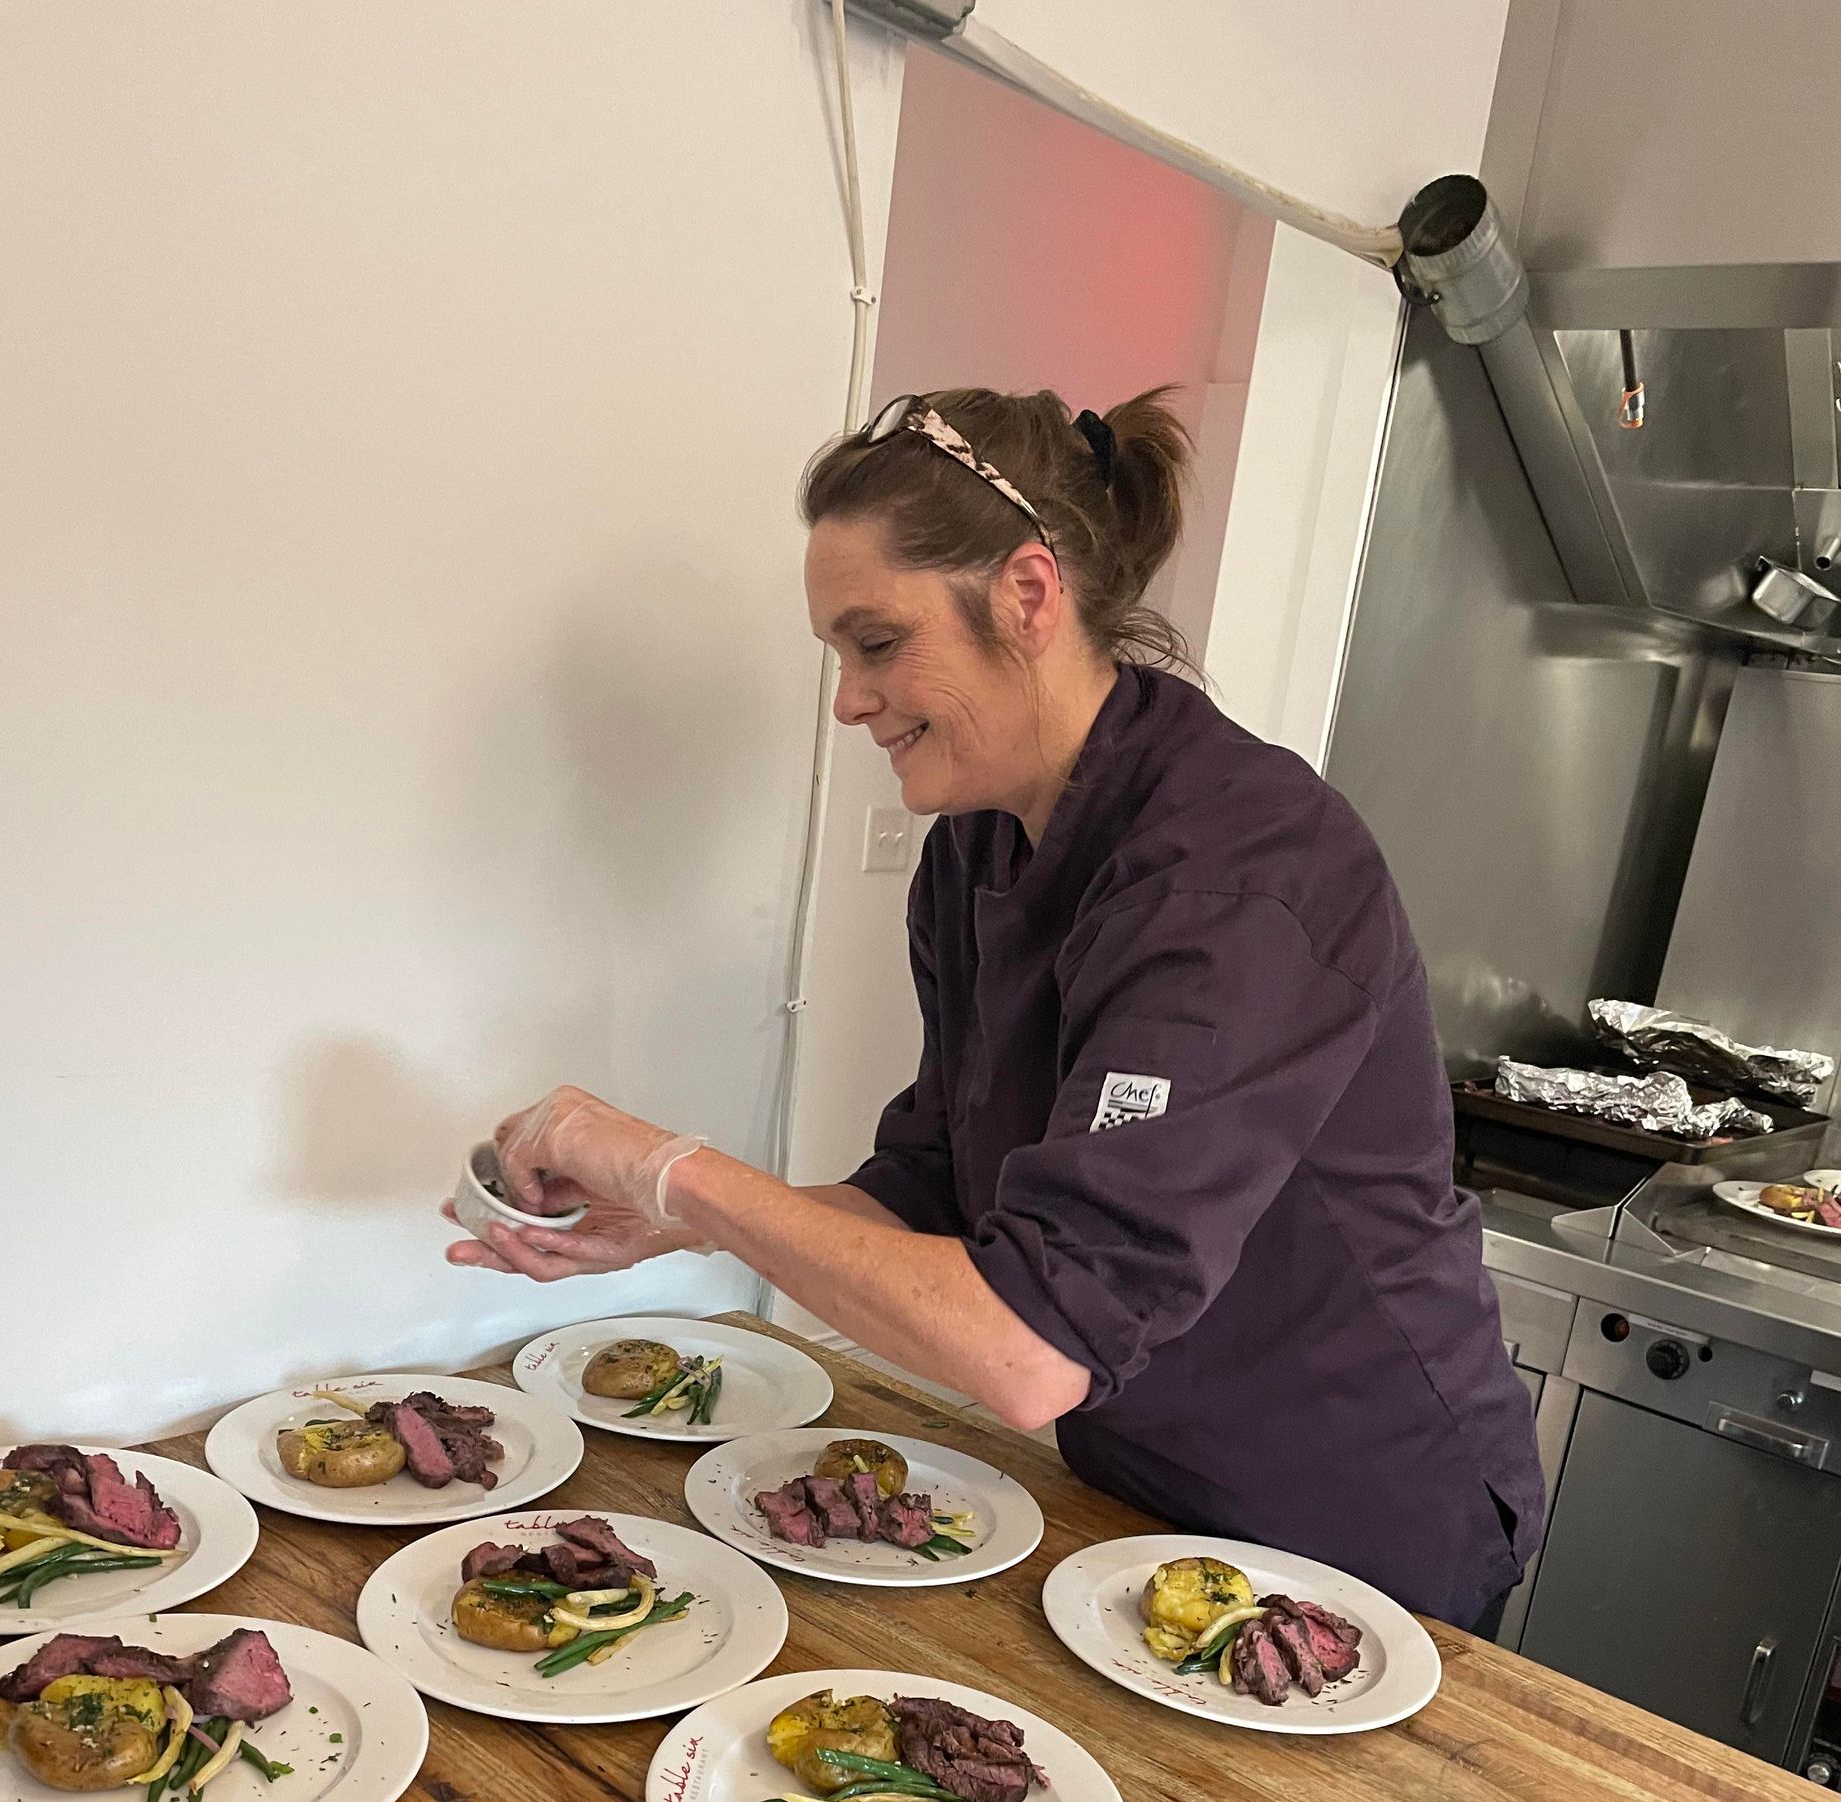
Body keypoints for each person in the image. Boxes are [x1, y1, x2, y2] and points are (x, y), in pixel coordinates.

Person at [447, 385, 1543, 1632]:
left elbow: (1029, 1349)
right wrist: (669, 1218)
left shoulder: (1239, 876)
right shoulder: (979, 850)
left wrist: (672, 1168)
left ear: (1027, 594)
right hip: (1133, 1491)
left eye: (877, 643)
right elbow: (930, 1187)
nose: (851, 700)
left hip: (1352, 1519)